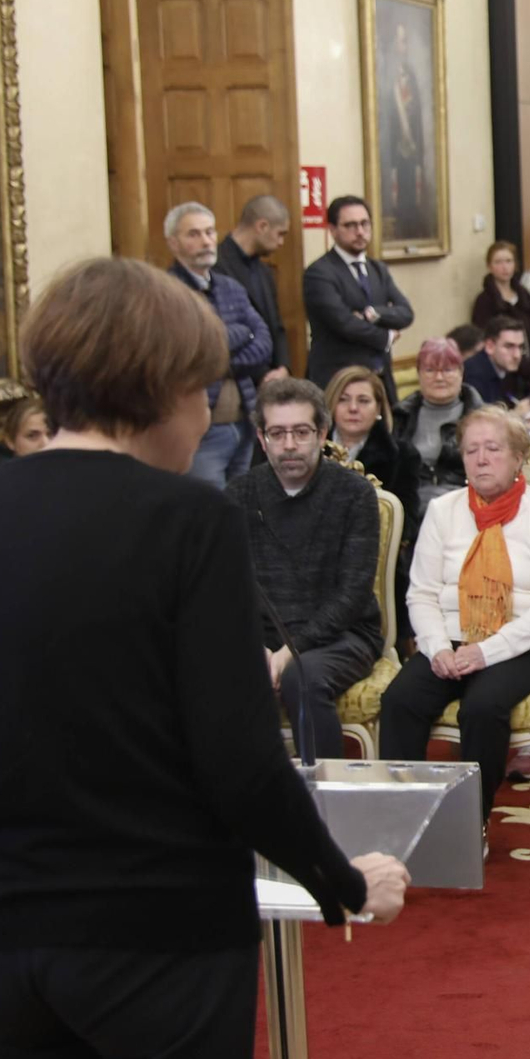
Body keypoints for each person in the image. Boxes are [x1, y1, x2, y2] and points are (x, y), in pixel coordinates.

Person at [0, 258, 406, 1059]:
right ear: (161, 390)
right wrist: (340, 881)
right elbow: (239, 758)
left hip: (10, 948)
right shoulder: (188, 520)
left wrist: (19, 863)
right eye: (204, 392)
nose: (207, 415)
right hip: (162, 946)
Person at [379, 408, 530, 828]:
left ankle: (469, 827)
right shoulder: (444, 510)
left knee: (482, 707)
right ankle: (403, 821)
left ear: (518, 457)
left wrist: (485, 653)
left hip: (525, 645)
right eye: (471, 450)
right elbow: (422, 593)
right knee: (399, 701)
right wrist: (435, 648)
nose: (481, 459)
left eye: (493, 448)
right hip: (450, 639)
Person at [227, 378, 383, 763]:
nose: (290, 444)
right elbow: (229, 589)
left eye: (301, 431)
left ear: (322, 433)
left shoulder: (354, 494)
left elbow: (351, 595)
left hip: (343, 635)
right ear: (262, 439)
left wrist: (289, 652)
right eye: (278, 433)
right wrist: (261, 649)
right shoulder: (238, 495)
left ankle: (324, 802)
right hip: (263, 639)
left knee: (303, 677)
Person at [165, 201, 274, 487]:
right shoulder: (165, 293)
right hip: (201, 430)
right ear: (173, 243)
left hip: (244, 421)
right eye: (194, 234)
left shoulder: (230, 287)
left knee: (239, 510)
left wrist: (215, 359)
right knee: (209, 512)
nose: (206, 241)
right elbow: (186, 353)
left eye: (210, 232)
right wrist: (241, 334)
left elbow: (263, 343)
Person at [305, 195, 416, 403]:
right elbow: (343, 323)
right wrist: (386, 337)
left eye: (365, 224)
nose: (360, 232)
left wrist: (372, 314)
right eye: (350, 225)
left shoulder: (377, 269)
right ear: (332, 230)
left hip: (380, 377)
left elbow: (405, 313)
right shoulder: (319, 273)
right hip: (338, 380)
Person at [323, 365, 419, 537]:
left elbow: (406, 526)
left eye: (363, 401)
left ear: (378, 408)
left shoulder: (403, 456)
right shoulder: (311, 450)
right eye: (343, 399)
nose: (353, 408)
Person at [394, 336, 486, 517]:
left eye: (447, 369)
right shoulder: (400, 415)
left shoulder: (483, 419)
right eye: (430, 370)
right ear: (418, 373)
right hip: (410, 509)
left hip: (466, 508)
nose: (439, 377)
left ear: (461, 372)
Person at [216, 194, 294, 382]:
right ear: (262, 226)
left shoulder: (265, 272)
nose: (281, 242)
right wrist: (262, 374)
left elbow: (276, 325)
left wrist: (283, 367)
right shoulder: (215, 265)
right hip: (235, 380)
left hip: (271, 381)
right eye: (280, 234)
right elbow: (223, 332)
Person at [472, 240, 530, 363]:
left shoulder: (524, 295)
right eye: (498, 262)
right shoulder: (485, 300)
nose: (505, 267)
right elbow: (483, 338)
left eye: (508, 261)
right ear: (489, 266)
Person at [463, 318, 530, 409]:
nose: (517, 355)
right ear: (489, 346)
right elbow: (480, 419)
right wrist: (515, 415)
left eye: (520, 347)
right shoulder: (474, 375)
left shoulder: (506, 368)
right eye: (509, 346)